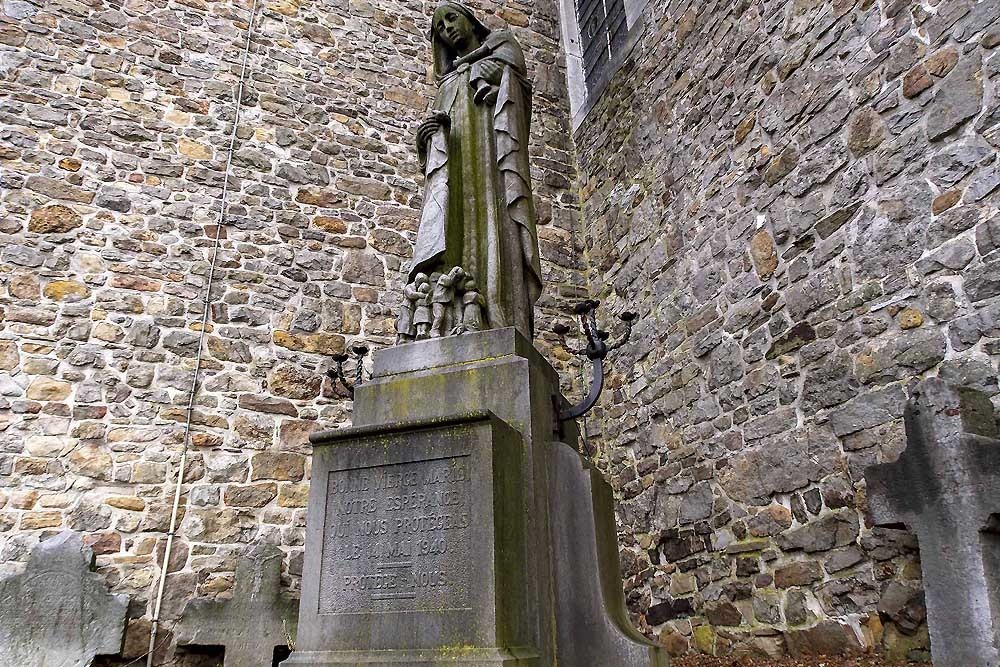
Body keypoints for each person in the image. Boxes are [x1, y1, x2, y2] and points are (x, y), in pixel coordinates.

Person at [407, 1, 542, 341]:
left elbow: (518, 94)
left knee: (494, 223)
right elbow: (432, 143)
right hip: (456, 169)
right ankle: (449, 310)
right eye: (440, 28)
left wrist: (498, 82)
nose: (447, 29)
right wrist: (426, 137)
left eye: (451, 19)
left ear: (469, 20)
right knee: (452, 227)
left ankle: (496, 308)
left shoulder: (497, 54)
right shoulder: (447, 84)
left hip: (490, 160)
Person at [430, 266, 464, 337]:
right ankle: (434, 330)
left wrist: (463, 278)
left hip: (448, 302)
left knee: (449, 318)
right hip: (438, 300)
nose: (457, 278)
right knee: (439, 316)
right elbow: (448, 282)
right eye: (457, 276)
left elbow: (460, 288)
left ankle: (447, 331)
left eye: (458, 277)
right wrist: (455, 273)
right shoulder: (444, 277)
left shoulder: (453, 283)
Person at [412, 274, 432, 340]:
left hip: (418, 310)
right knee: (424, 322)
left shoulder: (418, 298)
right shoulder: (425, 297)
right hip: (424, 310)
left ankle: (419, 332)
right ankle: (423, 332)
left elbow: (416, 304)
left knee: (419, 323)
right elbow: (428, 303)